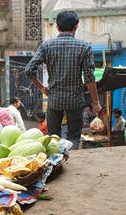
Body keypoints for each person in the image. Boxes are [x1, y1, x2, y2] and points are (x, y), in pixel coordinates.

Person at [25, 11, 102, 150]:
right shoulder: (84, 47)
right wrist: (95, 102)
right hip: (75, 101)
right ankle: (72, 164)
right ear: (76, 26)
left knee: (53, 137)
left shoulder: (46, 46)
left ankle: (56, 164)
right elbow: (90, 77)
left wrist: (42, 88)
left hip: (54, 100)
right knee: (73, 137)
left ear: (57, 27)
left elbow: (29, 70)